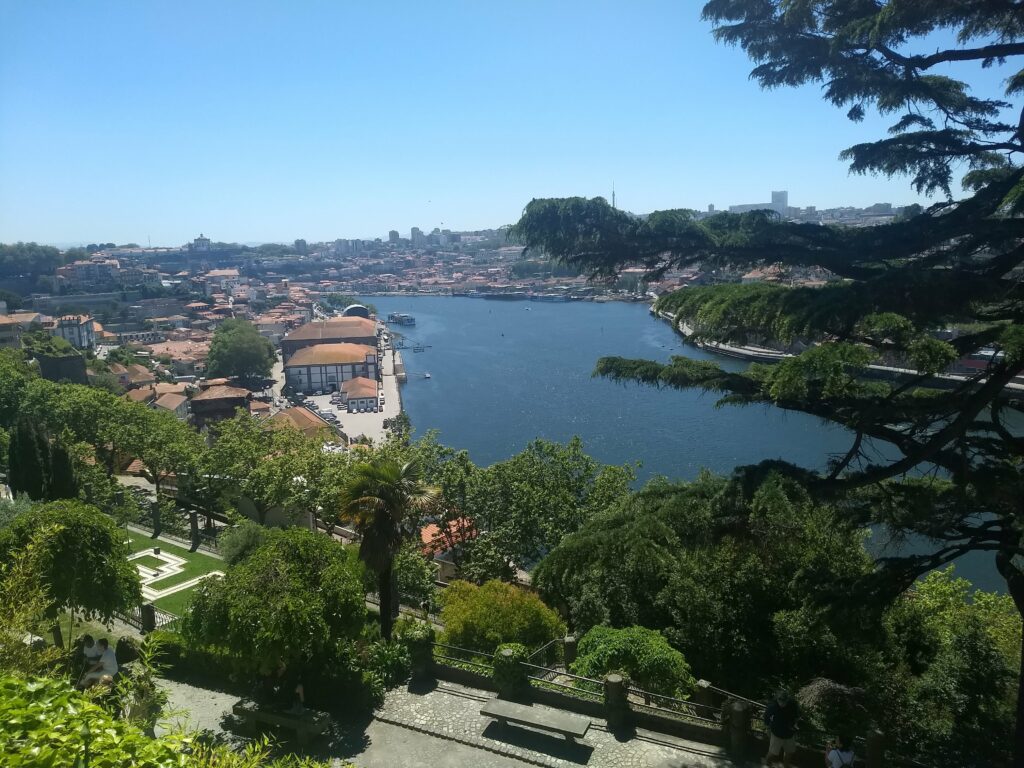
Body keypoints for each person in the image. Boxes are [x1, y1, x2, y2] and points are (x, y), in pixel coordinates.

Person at [764, 689, 800, 767]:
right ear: (777, 699)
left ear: (787, 700)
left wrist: (795, 727)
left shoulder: (793, 705)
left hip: (789, 733)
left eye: (784, 701)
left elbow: (796, 717)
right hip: (776, 733)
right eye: (780, 700)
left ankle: (785, 766)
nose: (782, 703)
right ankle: (766, 764)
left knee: (789, 752)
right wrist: (768, 729)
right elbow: (766, 717)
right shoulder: (772, 706)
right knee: (772, 753)